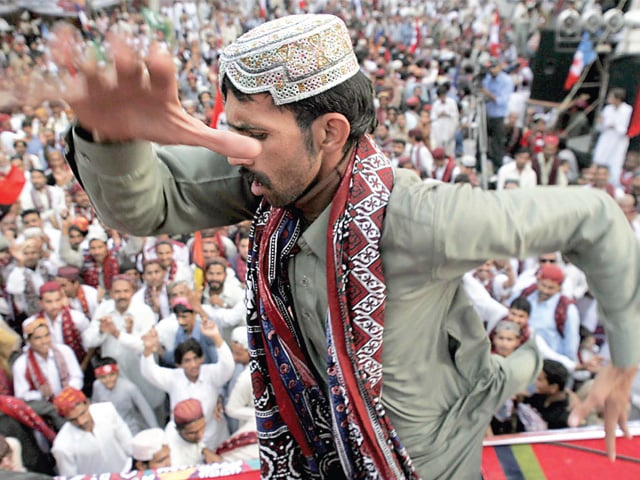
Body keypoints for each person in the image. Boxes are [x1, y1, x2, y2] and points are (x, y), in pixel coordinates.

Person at [59, 14, 639, 477]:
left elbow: (593, 215)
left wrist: (624, 357)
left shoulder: (425, 218)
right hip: (314, 450)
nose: (235, 149)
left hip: (423, 459)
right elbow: (144, 205)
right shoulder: (265, 174)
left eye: (253, 134)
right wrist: (109, 137)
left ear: (330, 131)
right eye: (231, 128)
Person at [51, 387, 133, 476]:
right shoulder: (62, 446)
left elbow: (127, 442)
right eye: (73, 419)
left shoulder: (107, 410)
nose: (81, 421)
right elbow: (70, 477)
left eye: (82, 413)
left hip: (126, 472)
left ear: (87, 403)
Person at [90, 356, 158, 435]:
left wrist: (156, 430)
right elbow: (94, 404)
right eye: (103, 377)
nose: (108, 379)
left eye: (112, 375)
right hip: (108, 429)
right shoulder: (97, 385)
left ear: (117, 372)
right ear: (97, 377)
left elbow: (145, 409)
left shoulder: (129, 387)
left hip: (129, 428)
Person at [592, 88, 633, 188]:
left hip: (618, 141)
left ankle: (613, 185)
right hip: (606, 138)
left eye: (611, 96)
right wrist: (601, 123)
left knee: (615, 162)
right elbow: (601, 126)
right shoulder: (607, 109)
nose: (609, 98)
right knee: (599, 158)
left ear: (618, 99)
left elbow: (625, 128)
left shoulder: (627, 110)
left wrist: (613, 125)